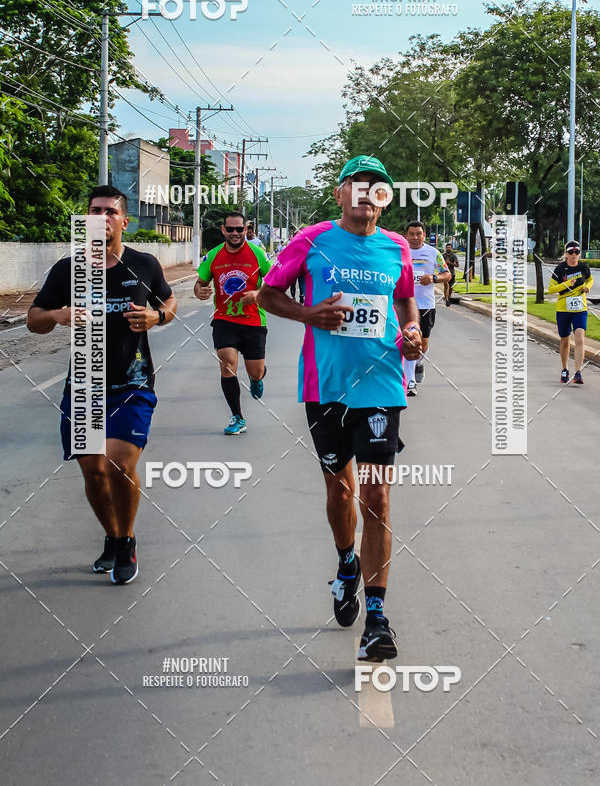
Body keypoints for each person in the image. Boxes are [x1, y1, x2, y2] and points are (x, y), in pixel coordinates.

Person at [258, 154, 421, 662]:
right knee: (339, 489)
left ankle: (377, 616)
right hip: (325, 389)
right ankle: (346, 559)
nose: (367, 195)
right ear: (340, 194)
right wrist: (309, 313)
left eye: (378, 188)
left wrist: (413, 333)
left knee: (376, 498)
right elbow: (267, 294)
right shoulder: (311, 240)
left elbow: (406, 303)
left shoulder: (397, 247)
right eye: (358, 185)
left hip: (381, 387)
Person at [27, 185, 177, 584]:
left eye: (110, 211)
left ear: (124, 221)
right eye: (95, 211)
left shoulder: (144, 265)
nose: (102, 217)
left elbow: (168, 301)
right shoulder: (67, 270)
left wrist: (155, 318)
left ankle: (126, 541)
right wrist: (58, 314)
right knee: (93, 471)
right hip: (84, 384)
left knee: (118, 462)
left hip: (133, 382)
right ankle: (112, 536)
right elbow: (33, 320)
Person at [195, 211, 271, 434]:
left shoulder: (258, 254)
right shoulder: (214, 256)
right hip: (224, 318)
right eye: (231, 229)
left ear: (246, 230)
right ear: (223, 230)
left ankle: (257, 379)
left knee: (255, 371)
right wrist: (200, 291)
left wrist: (259, 294)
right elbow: (200, 283)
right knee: (227, 363)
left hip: (254, 320)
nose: (236, 233)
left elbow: (276, 281)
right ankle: (237, 417)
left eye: (240, 229)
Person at [404, 222, 451, 396]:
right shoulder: (400, 251)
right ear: (406, 235)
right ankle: (410, 382)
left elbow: (448, 274)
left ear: (424, 235)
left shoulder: (434, 253)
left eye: (418, 234)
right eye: (411, 234)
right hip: (406, 305)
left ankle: (418, 362)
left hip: (426, 305)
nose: (415, 237)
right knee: (409, 341)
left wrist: (433, 278)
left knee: (422, 345)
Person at [548, 240, 593, 384]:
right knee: (565, 341)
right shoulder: (560, 269)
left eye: (577, 252)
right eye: (571, 252)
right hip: (563, 310)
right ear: (566, 254)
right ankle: (565, 369)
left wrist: (587, 287)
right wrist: (567, 283)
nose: (574, 255)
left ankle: (578, 372)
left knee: (580, 337)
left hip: (580, 309)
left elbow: (590, 280)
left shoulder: (583, 267)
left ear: (579, 254)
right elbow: (551, 289)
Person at [443, 242, 459, 306]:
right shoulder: (443, 256)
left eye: (450, 247)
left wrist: (450, 262)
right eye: (447, 247)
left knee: (451, 286)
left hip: (452, 273)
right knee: (446, 285)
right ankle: (446, 298)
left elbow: (457, 265)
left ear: (452, 248)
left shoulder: (454, 256)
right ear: (445, 248)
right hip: (445, 273)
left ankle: (448, 297)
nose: (448, 249)